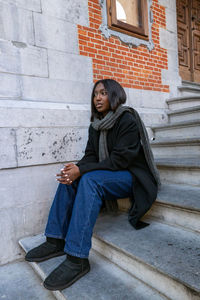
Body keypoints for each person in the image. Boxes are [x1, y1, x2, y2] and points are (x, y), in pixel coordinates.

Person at [25, 79, 160, 291]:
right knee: (71, 176)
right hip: (111, 173)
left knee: (89, 179)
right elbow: (90, 156)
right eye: (95, 94)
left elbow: (120, 161)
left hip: (131, 176)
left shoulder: (127, 120)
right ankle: (55, 240)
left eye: (103, 93)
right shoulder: (95, 126)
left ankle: (77, 258)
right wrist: (75, 168)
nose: (97, 98)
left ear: (114, 95)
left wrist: (83, 170)